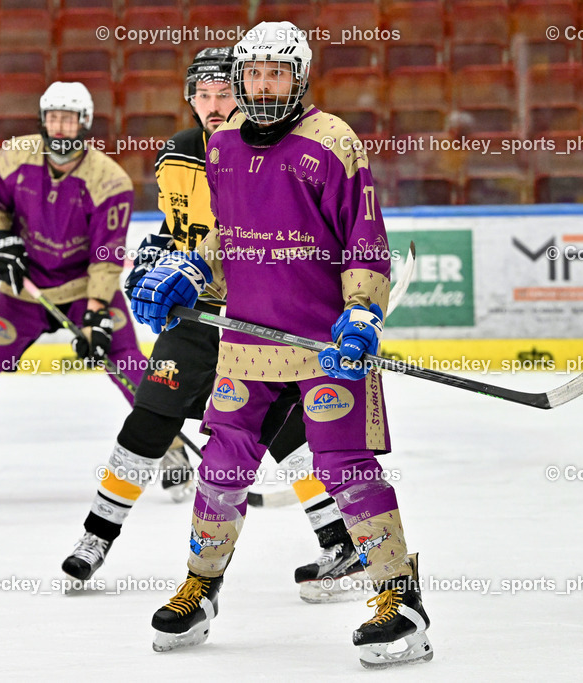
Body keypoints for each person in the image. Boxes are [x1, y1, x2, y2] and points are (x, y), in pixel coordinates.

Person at [130, 22, 433, 667]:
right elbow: (229, 237)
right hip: (247, 342)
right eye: (253, 74)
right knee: (222, 464)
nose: (264, 86)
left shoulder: (332, 143)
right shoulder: (223, 147)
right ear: (239, 79)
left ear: (300, 76)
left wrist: (362, 313)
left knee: (344, 465)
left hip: (327, 342)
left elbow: (364, 240)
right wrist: (189, 270)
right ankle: (201, 586)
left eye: (277, 73)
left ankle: (400, 599)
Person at [61, 47, 371, 605]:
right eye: (201, 96)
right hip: (197, 313)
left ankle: (341, 540)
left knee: (283, 428)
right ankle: (96, 536)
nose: (213, 105)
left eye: (222, 93)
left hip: (254, 313)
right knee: (152, 416)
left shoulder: (275, 147)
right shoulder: (181, 153)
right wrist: (156, 258)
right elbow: (179, 228)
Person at [0, 82, 145, 497]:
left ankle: (165, 447)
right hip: (24, 288)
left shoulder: (110, 180)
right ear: (43, 120)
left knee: (130, 365)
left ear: (85, 123)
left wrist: (97, 313)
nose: (60, 128)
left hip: (83, 288)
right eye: (53, 118)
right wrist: (0, 240)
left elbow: (108, 253)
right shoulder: (14, 155)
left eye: (69, 119)